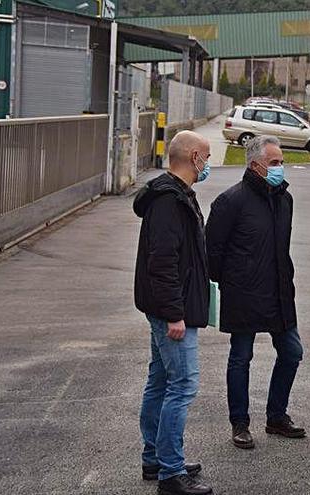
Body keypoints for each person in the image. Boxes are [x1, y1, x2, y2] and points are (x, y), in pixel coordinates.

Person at [206, 135, 305, 450]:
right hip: (244, 293)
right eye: (274, 163)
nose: (280, 168)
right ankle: (240, 423)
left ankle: (276, 416)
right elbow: (212, 253)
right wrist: (235, 280)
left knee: (292, 352)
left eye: (281, 162)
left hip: (278, 292)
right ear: (255, 166)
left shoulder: (283, 199)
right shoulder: (231, 201)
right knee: (241, 357)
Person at [133, 131, 213, 495]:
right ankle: (170, 472)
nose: (208, 163)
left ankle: (157, 458)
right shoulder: (169, 201)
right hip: (171, 311)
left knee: (162, 381)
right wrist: (174, 314)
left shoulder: (175, 195)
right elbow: (162, 262)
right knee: (181, 386)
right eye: (207, 156)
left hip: (168, 307)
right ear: (194, 156)